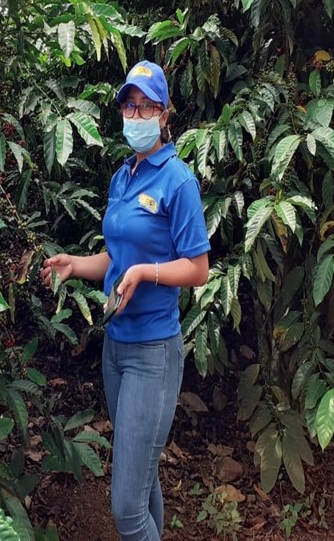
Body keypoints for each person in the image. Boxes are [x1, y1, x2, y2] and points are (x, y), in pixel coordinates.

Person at [40, 60, 210, 541]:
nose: (135, 114)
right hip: (116, 348)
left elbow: (198, 269)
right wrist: (77, 263)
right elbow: (115, 258)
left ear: (164, 113)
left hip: (153, 353)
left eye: (146, 105)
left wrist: (146, 272)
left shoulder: (178, 181)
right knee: (143, 476)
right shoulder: (122, 177)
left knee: (125, 510)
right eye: (128, 105)